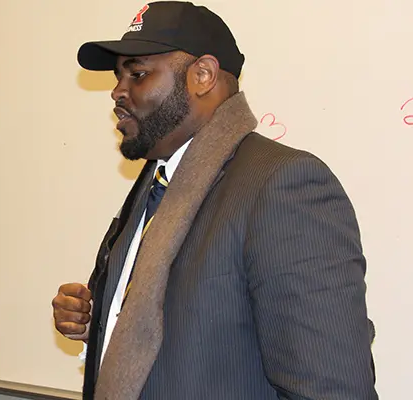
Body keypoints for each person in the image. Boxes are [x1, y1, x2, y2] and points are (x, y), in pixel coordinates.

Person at [51, 2, 377, 399]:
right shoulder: (155, 185)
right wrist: (101, 319)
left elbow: (330, 389)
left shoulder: (282, 186)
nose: (118, 92)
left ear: (202, 75)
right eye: (119, 77)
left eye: (137, 74)